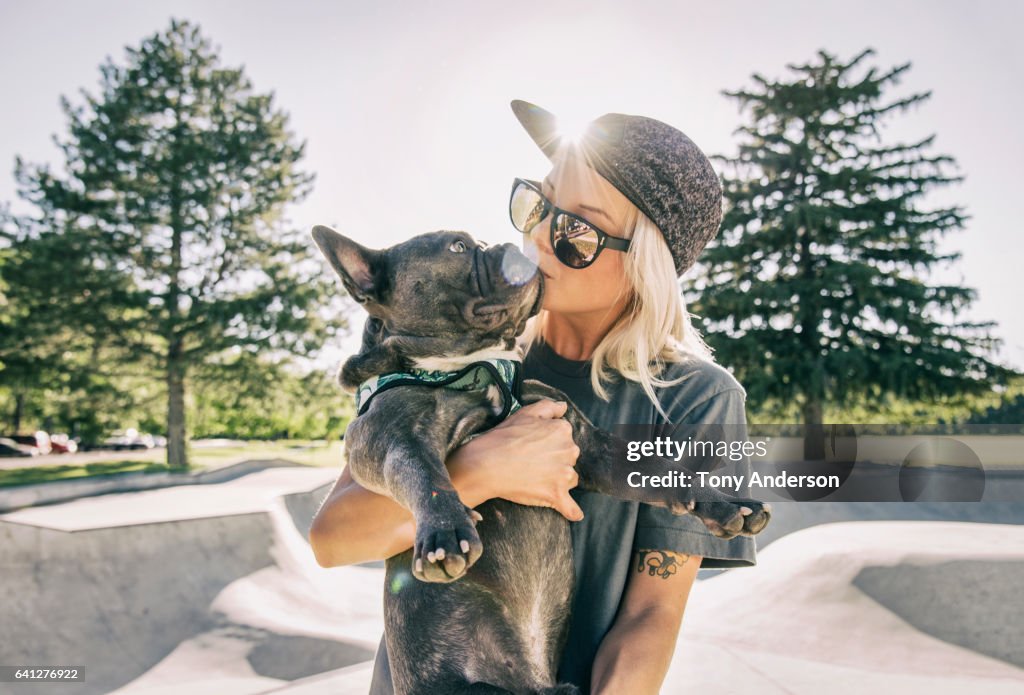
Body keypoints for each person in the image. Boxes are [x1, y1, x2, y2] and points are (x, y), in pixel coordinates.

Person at [308, 100, 757, 694]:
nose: (540, 236)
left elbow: (652, 618)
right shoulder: (463, 350)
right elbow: (333, 538)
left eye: (578, 232)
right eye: (538, 204)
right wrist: (483, 469)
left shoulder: (696, 400)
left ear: (644, 264)